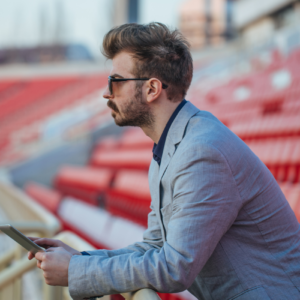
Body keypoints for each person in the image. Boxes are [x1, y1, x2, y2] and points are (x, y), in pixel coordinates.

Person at [28, 23, 300, 300]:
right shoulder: (173, 143)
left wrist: (77, 272)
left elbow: (174, 267)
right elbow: (155, 245)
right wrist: (81, 260)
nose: (107, 93)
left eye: (116, 82)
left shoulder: (202, 152)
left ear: (152, 89)